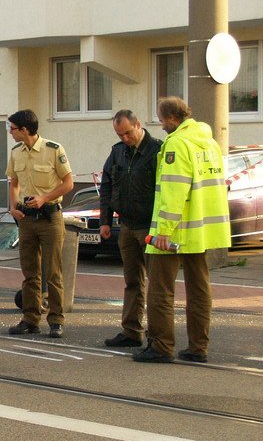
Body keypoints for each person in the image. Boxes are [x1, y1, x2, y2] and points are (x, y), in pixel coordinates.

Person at [134, 97, 231, 363]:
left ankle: (161, 346)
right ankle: (199, 347)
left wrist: (163, 230)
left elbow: (174, 191)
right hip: (201, 230)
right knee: (199, 288)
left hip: (174, 231)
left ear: (173, 119)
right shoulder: (209, 143)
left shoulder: (176, 143)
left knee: (160, 289)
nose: (161, 125)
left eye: (162, 120)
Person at [5, 109, 74, 338]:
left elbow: (68, 183)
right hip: (26, 219)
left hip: (50, 217)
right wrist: (13, 207)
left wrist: (44, 198)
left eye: (12, 129)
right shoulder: (16, 153)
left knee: (53, 272)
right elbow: (14, 183)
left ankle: (56, 320)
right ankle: (30, 318)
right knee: (30, 272)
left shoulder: (53, 149)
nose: (11, 133)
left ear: (24, 130)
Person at [99, 110, 162, 348]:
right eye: (119, 134)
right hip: (126, 224)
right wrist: (105, 220)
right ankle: (131, 330)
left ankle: (156, 335)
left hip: (149, 225)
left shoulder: (157, 150)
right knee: (132, 280)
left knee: (156, 284)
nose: (125, 138)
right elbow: (106, 184)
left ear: (138, 125)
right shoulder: (117, 152)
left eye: (127, 132)